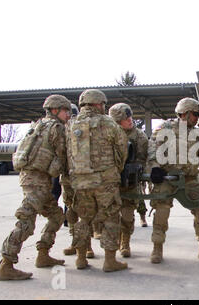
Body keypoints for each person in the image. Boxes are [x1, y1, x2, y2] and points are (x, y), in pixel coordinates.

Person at [0, 95, 71, 281]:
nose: (68, 114)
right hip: (37, 180)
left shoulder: (37, 125)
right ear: (55, 110)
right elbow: (63, 158)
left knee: (56, 215)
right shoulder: (57, 128)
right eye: (65, 110)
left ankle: (43, 254)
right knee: (26, 222)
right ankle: (6, 264)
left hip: (33, 179)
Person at [147, 97, 199, 264]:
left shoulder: (198, 134)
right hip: (167, 177)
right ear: (185, 113)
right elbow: (153, 148)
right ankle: (157, 248)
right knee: (161, 209)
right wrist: (154, 168)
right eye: (195, 114)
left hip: (189, 179)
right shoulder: (165, 128)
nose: (196, 118)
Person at [66, 89, 128, 272]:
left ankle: (80, 258)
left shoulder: (71, 124)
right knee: (110, 217)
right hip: (105, 181)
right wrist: (116, 168)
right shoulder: (108, 123)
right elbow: (122, 148)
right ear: (99, 104)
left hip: (80, 181)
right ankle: (110, 261)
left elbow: (66, 153)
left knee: (84, 218)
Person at [109, 103, 148, 258]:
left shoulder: (139, 136)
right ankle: (114, 242)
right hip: (111, 182)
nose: (130, 120)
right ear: (117, 121)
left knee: (127, 215)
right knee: (111, 216)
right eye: (125, 118)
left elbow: (143, 159)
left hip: (130, 182)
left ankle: (125, 241)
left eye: (130, 116)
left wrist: (136, 171)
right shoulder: (109, 134)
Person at [62, 104, 94, 259]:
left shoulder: (84, 129)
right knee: (71, 212)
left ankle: (86, 246)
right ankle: (75, 243)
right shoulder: (62, 131)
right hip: (68, 179)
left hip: (82, 178)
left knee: (84, 213)